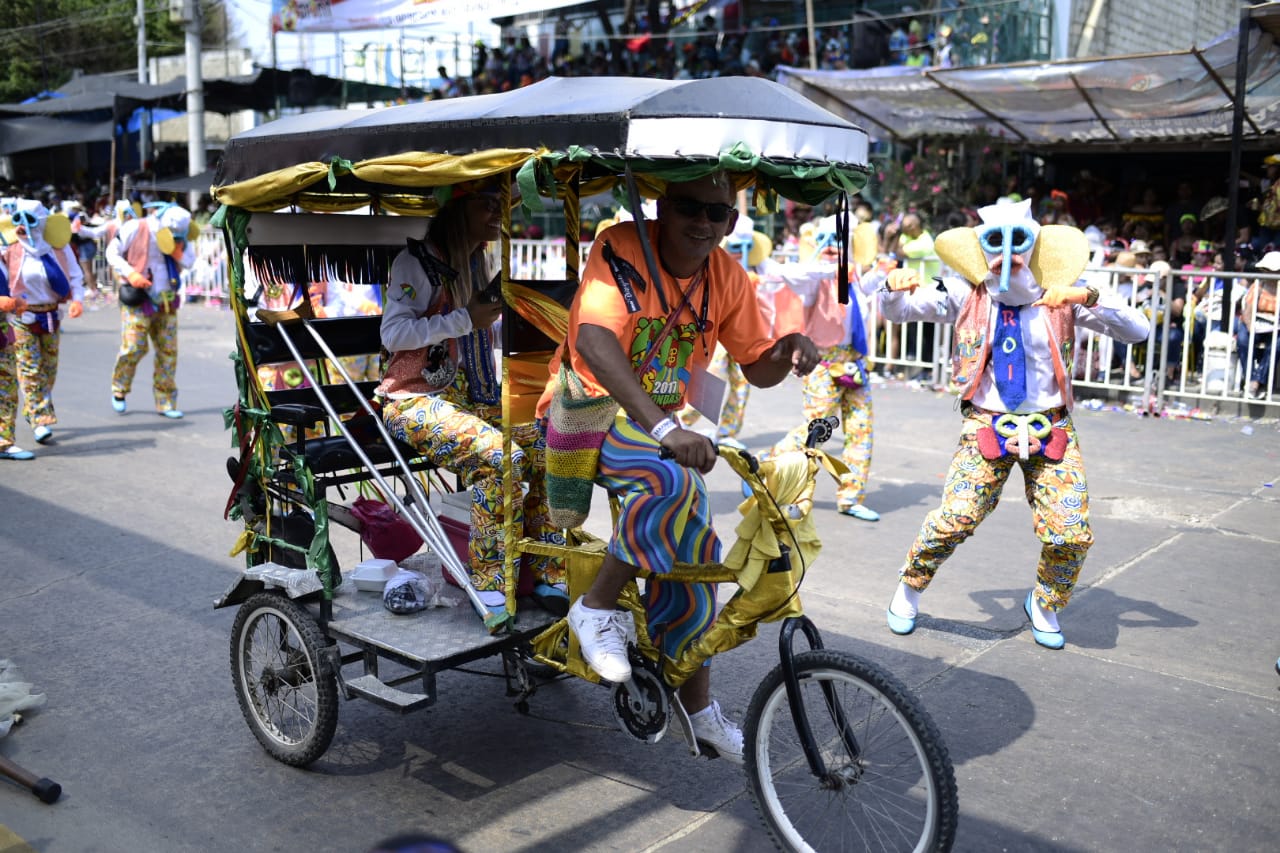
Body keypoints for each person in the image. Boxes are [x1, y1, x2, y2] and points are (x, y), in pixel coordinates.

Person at [537, 172, 820, 762]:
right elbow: (592, 340)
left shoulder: (727, 275)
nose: (702, 222)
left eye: (716, 213)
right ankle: (594, 610)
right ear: (661, 208)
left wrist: (788, 347)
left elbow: (756, 365)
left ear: (732, 224)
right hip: (588, 409)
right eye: (689, 207)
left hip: (655, 423)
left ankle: (698, 708)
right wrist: (665, 428)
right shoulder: (622, 247)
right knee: (671, 479)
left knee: (698, 556)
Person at [876, 199, 1149, 649]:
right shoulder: (967, 291)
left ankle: (1044, 602)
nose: (1008, 256)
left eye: (1018, 243)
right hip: (986, 424)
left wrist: (1089, 296)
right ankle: (909, 586)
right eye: (995, 244)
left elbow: (1137, 330)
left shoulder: (1063, 292)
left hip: (1051, 426)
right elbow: (899, 312)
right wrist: (891, 287)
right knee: (956, 518)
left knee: (1071, 532)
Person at [377, 179, 567, 622]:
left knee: (546, 446)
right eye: (486, 205)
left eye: (500, 205)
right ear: (457, 208)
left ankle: (546, 571)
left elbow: (483, 331)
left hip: (474, 400)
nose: (497, 215)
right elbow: (393, 334)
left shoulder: (478, 260)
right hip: (414, 400)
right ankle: (489, 586)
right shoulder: (416, 262)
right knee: (501, 459)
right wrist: (464, 318)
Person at [762, 213, 879, 521]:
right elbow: (793, 274)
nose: (832, 246)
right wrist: (827, 264)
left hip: (854, 366)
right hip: (822, 365)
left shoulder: (854, 279)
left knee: (860, 431)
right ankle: (770, 467)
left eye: (839, 240)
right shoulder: (814, 280)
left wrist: (883, 275)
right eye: (825, 240)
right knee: (816, 430)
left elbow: (871, 293)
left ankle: (851, 496)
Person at [2, 199, 85, 447]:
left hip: (50, 314)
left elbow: (75, 274)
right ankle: (40, 419)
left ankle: (32, 410)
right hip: (21, 316)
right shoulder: (11, 247)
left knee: (49, 369)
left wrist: (77, 300)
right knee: (30, 369)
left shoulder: (58, 247)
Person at [105, 201, 194, 418]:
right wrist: (130, 273)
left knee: (168, 351)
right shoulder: (136, 227)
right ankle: (119, 389)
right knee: (134, 347)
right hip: (138, 299)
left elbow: (191, 261)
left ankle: (165, 401)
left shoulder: (179, 235)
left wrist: (177, 253)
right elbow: (111, 252)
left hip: (166, 299)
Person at [1235, 250, 1280, 398]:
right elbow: (1247, 312)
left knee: (1277, 345)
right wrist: (1252, 327)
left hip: (1275, 329)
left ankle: (1256, 381)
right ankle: (1253, 380)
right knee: (1242, 340)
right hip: (1254, 325)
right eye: (1266, 270)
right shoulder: (1258, 286)